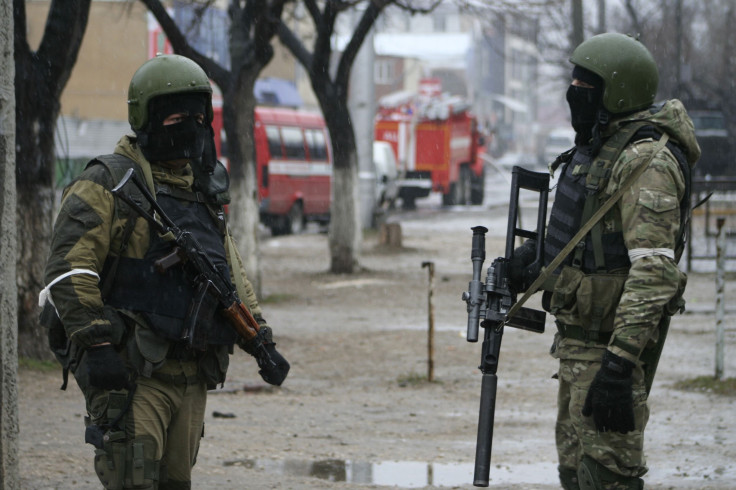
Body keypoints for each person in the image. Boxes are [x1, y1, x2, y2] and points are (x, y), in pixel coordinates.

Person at [40, 54, 290, 489]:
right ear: (148, 116)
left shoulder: (202, 193)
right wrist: (97, 344)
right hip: (135, 374)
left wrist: (260, 339)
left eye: (198, 115)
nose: (190, 125)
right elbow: (69, 268)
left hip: (192, 375)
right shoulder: (109, 183)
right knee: (134, 482)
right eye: (177, 115)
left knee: (176, 483)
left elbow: (230, 276)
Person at [509, 33, 700, 489]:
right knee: (575, 477)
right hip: (577, 348)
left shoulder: (645, 161)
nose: (574, 92)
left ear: (616, 91)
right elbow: (590, 241)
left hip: (607, 355)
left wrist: (618, 365)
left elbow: (654, 272)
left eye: (585, 85)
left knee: (608, 479)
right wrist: (533, 262)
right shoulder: (600, 148)